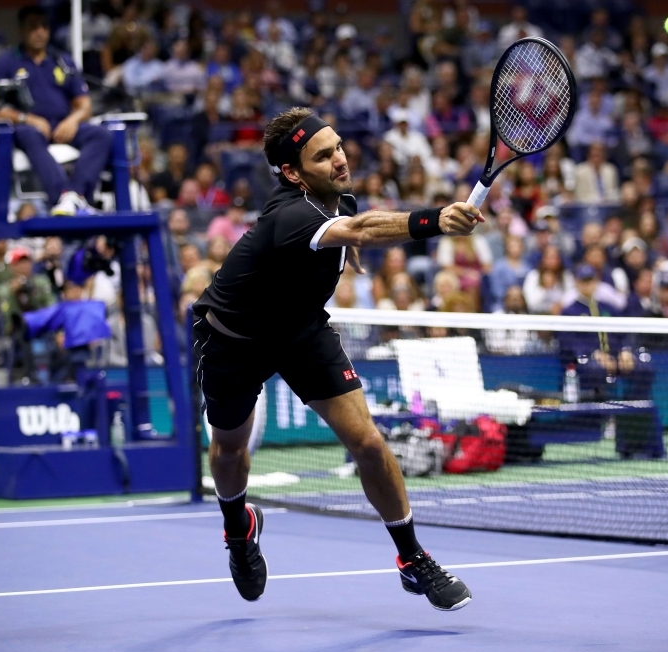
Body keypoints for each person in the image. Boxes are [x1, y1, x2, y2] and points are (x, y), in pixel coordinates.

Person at [192, 108, 478, 610]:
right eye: (323, 155)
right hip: (234, 339)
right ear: (292, 172)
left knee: (368, 441)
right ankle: (239, 528)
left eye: (339, 146)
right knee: (231, 451)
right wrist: (436, 220)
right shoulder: (290, 214)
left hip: (301, 330)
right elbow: (361, 229)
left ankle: (412, 558)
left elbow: (350, 233)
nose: (340, 159)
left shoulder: (333, 198)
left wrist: (348, 249)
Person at [0, 6, 112, 215]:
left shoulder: (61, 61)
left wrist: (72, 120)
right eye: (33, 27)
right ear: (22, 30)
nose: (40, 32)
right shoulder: (6, 63)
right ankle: (62, 195)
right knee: (28, 134)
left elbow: (85, 105)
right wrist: (28, 118)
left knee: (101, 135)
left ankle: (76, 195)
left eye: (44, 26)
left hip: (62, 125)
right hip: (28, 128)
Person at [559, 264, 653, 400]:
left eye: (590, 280)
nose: (588, 285)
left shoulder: (608, 308)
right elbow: (568, 343)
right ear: (576, 283)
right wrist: (594, 354)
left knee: (644, 368)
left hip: (616, 357)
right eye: (583, 281)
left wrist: (626, 350)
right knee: (595, 370)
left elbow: (625, 333)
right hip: (587, 361)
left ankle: (633, 409)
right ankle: (601, 412)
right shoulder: (569, 311)